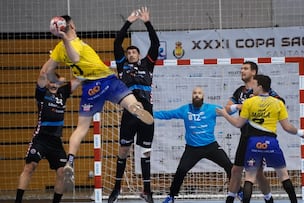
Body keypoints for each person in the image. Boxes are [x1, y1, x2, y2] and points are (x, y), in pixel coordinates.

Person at [43, 14, 154, 191]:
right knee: (131, 101)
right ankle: (134, 107)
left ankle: (70, 161)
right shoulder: (74, 44)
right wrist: (65, 39)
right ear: (71, 27)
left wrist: (53, 80)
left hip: (90, 89)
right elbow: (76, 58)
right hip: (107, 81)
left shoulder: (57, 50)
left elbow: (47, 71)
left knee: (81, 128)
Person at [217, 74, 304, 203]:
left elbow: (238, 124)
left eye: (254, 85)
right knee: (283, 175)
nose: (251, 88)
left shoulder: (249, 102)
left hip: (253, 143)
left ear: (259, 86)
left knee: (249, 177)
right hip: (271, 143)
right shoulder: (277, 103)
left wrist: (225, 114)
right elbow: (287, 127)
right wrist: (300, 132)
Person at [107, 7, 160, 203]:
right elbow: (116, 42)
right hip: (129, 114)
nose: (130, 54)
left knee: (145, 153)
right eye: (128, 52)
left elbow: (155, 43)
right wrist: (128, 22)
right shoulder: (122, 66)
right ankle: (116, 189)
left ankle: (147, 191)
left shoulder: (148, 64)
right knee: (123, 151)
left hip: (147, 113)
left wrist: (147, 22)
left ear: (139, 54)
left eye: (134, 52)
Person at [154, 86, 233, 203]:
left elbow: (230, 110)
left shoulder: (212, 109)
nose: (197, 95)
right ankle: (171, 196)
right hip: (192, 149)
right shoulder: (185, 109)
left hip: (211, 146)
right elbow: (167, 114)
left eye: (199, 93)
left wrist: (241, 106)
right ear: (192, 96)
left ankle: (238, 191)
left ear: (203, 96)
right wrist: (149, 113)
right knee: (181, 170)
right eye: (194, 93)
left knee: (229, 166)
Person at [15, 66, 81, 203]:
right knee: (30, 166)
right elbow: (43, 74)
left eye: (55, 82)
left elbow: (79, 79)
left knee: (62, 172)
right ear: (47, 83)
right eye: (50, 82)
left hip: (56, 141)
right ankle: (18, 200)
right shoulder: (42, 93)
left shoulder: (63, 93)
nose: (53, 84)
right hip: (41, 138)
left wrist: (85, 67)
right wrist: (52, 64)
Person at [224, 61, 283, 203]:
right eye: (241, 69)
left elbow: (280, 102)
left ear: (254, 72)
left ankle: (268, 199)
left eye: (245, 69)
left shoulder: (264, 91)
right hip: (244, 136)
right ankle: (230, 199)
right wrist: (242, 106)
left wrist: (259, 102)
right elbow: (227, 108)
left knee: (257, 173)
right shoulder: (240, 91)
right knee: (235, 170)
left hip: (259, 138)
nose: (242, 71)